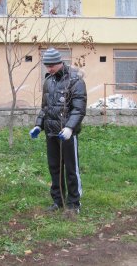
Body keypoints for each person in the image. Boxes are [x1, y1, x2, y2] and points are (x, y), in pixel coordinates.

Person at [30, 48, 87, 214]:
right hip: (51, 133)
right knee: (54, 167)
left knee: (71, 168)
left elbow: (78, 109)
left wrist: (70, 127)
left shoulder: (75, 81)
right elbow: (45, 108)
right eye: (47, 65)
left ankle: (74, 203)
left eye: (52, 65)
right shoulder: (49, 81)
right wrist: (38, 125)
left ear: (60, 62)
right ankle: (58, 201)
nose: (49, 68)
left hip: (67, 134)